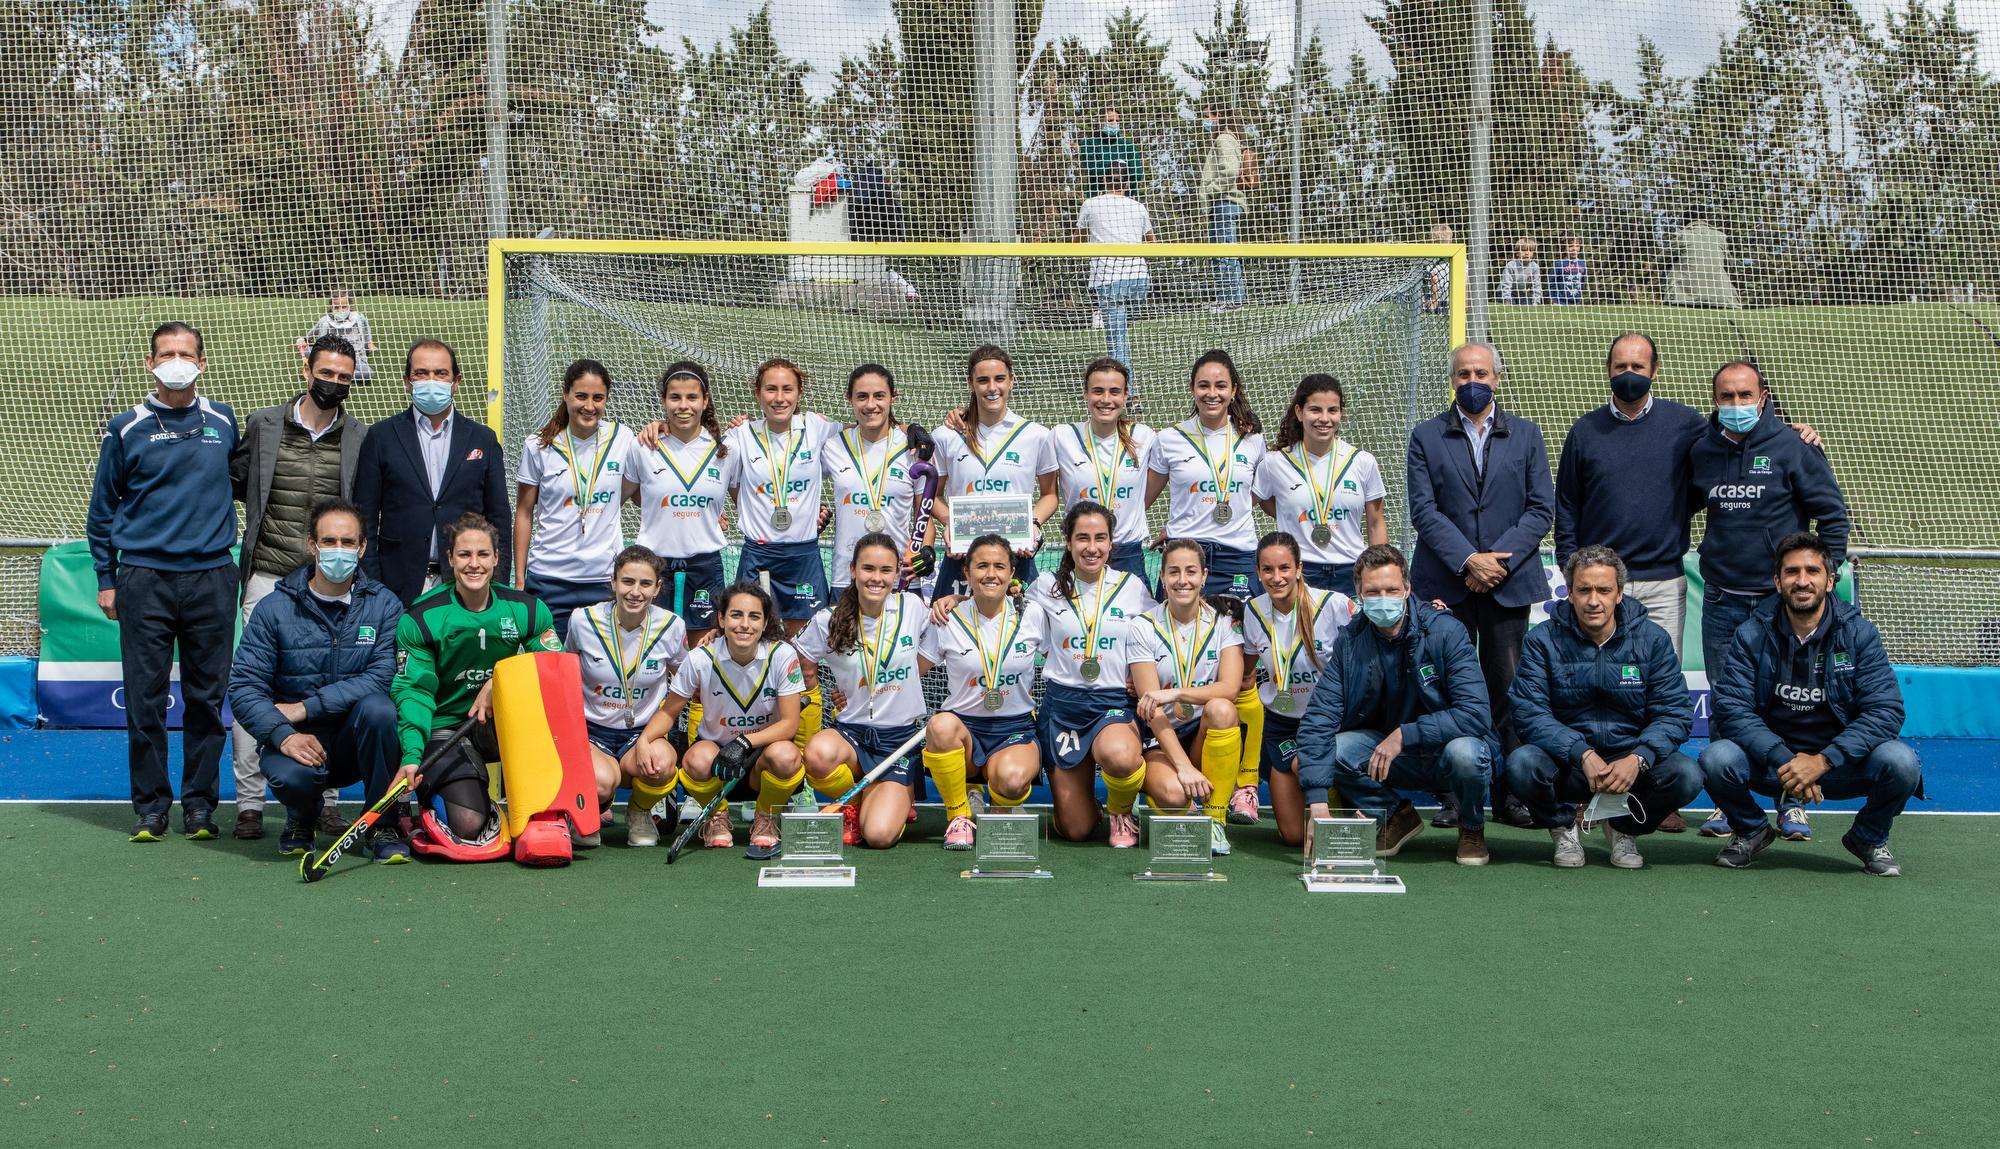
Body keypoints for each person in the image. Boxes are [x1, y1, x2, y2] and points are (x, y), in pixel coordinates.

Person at [89, 321, 240, 843]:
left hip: (213, 577)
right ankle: (151, 807)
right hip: (144, 579)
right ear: (150, 363)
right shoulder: (125, 427)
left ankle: (200, 806)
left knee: (206, 698)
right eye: (166, 353)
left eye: (186, 353)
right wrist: (107, 577)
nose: (176, 360)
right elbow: (103, 509)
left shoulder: (224, 419)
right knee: (145, 699)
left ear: (202, 362)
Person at [1688, 359, 1848, 840]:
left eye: (1744, 396)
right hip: (1720, 601)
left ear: (1763, 397)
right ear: (1714, 401)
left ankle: (1791, 800)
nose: (1735, 405)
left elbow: (1832, 517)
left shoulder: (1794, 447)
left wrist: (1827, 572)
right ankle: (1727, 802)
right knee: (1728, 702)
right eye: (1725, 397)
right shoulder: (1701, 451)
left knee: (1783, 704)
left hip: (1776, 604)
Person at [1702, 533, 1918, 876]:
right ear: (1777, 581)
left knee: (1902, 762)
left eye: (1812, 571)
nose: (1802, 581)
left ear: (1830, 581)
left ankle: (1868, 837)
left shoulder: (1859, 634)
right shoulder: (1751, 633)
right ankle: (1751, 830)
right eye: (1791, 572)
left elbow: (1885, 711)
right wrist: (1787, 761)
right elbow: (1731, 708)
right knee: (1716, 758)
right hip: (1773, 765)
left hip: (1838, 767)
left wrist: (1823, 761)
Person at [227, 333, 369, 840]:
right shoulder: (263, 424)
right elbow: (237, 482)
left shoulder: (359, 436)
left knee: (322, 687)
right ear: (307, 370)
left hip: (328, 582)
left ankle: (323, 797)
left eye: (343, 377)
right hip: (268, 575)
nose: (333, 383)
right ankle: (248, 802)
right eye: (325, 373)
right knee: (256, 691)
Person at [1406, 341, 1553, 828]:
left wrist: (1497, 563)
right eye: (1464, 373)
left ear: (1498, 378)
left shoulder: (1528, 435)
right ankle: (1451, 792)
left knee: (1507, 689)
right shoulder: (1425, 436)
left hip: (1508, 584)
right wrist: (1469, 559)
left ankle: (1511, 792)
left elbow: (1540, 510)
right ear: (1452, 380)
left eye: (1482, 373)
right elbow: (1424, 511)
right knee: (1442, 689)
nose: (1474, 381)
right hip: (1445, 582)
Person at [1294, 544, 1497, 866]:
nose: (1383, 598)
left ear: (1407, 589)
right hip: (1386, 755)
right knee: (1335, 749)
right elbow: (1319, 717)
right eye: (1372, 592)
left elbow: (1475, 714)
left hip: (1445, 749)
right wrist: (1317, 802)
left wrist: (1405, 734)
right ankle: (1395, 814)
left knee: (1467, 754)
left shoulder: (1446, 631)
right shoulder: (1350, 640)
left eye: (1392, 589)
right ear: (1358, 593)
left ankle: (1471, 826)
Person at [226, 499, 406, 860]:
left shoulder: (385, 605)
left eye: (347, 542)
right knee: (292, 776)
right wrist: (283, 735)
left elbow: (384, 676)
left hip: (355, 741)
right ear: (312, 545)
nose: (338, 551)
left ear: (362, 548)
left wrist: (305, 708)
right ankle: (301, 819)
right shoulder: (274, 608)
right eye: (329, 541)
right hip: (296, 741)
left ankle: (382, 822)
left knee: (381, 710)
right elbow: (243, 687)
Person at [1504, 545, 1700, 868]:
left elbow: (1675, 712)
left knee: (1687, 773)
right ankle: (1564, 826)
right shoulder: (1542, 640)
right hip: (1570, 764)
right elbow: (1528, 713)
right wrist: (1581, 753)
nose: (1593, 600)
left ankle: (1622, 828)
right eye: (1584, 590)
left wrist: (1639, 758)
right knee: (1521, 764)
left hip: (1629, 765)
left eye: (1603, 590)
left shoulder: (1652, 640)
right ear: (1569, 593)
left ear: (1619, 594)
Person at [389, 513, 564, 859]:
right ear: (450, 559)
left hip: (498, 725)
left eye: (483, 554)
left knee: (543, 722)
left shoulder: (527, 610)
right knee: (469, 824)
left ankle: (549, 813)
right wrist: (411, 755)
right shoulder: (421, 618)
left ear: (497, 558)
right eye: (465, 555)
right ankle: (434, 804)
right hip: (445, 728)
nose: (474, 564)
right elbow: (415, 692)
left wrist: (499, 681)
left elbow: (553, 671)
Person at [1146, 349, 1268, 825]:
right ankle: (1172, 764)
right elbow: (1144, 498)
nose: (1212, 393)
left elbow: (1270, 498)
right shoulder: (1168, 439)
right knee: (1177, 663)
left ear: (1233, 390)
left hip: (1238, 558)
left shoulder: (1253, 443)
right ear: (1192, 390)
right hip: (1185, 557)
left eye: (1221, 385)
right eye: (1203, 385)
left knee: (1241, 678)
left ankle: (1245, 785)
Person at [1554, 333, 1707, 660]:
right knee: (1600, 679)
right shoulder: (1585, 431)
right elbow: (1567, 507)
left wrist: (1794, 433)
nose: (1629, 374)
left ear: (1655, 371)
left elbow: (1732, 450)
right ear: (1608, 370)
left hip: (1663, 585)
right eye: (1621, 366)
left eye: (1638, 366)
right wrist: (1572, 571)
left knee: (1661, 683)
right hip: (1600, 585)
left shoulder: (1686, 425)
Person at [630, 582, 807, 860]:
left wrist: (744, 741)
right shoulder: (700, 658)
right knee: (695, 759)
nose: (744, 624)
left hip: (762, 758)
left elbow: (788, 725)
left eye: (754, 616)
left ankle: (766, 816)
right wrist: (645, 739)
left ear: (764, 623)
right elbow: (668, 712)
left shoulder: (781, 655)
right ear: (722, 619)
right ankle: (716, 816)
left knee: (786, 755)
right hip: (717, 760)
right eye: (736, 615)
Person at [1022, 502, 1157, 846]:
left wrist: (1143, 678)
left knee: (1121, 757)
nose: (1092, 547)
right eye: (1082, 538)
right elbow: (1005, 619)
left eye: (1100, 538)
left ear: (1112, 543)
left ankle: (1121, 810)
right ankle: (1090, 807)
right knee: (1075, 830)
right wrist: (951, 601)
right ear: (1067, 541)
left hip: (1112, 702)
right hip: (1063, 704)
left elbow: (1161, 636)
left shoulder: (1132, 587)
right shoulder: (1045, 586)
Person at [797, 534, 933, 848]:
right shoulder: (827, 621)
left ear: (898, 573)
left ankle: (890, 799)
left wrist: (950, 600)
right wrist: (829, 689)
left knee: (878, 836)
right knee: (817, 755)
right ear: (853, 570)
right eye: (868, 568)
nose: (876, 578)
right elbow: (800, 663)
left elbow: (937, 645)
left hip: (899, 741)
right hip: (852, 736)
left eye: (885, 570)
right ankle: (856, 802)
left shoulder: (912, 608)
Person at [354, 338, 512, 605]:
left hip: (467, 585)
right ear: (407, 381)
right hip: (398, 587)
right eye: (421, 373)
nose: (431, 380)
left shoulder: (482, 439)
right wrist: (373, 587)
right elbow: (364, 519)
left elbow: (499, 517)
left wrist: (496, 586)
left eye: (440, 374)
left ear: (456, 381)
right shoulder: (381, 436)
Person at [919, 534, 1050, 849]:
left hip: (1015, 727)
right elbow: (913, 672)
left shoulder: (1032, 614)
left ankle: (1000, 805)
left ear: (1011, 573)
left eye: (999, 566)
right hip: (963, 727)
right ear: (966, 573)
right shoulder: (946, 618)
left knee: (1013, 780)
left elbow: (1065, 661)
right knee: (939, 724)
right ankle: (959, 816)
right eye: (981, 566)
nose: (991, 574)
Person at [1126, 539, 1245, 854]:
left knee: (1222, 709)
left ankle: (1215, 820)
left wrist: (1176, 692)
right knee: (1175, 795)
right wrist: (1184, 767)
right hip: (1161, 740)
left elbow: (1230, 687)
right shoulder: (1143, 626)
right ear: (1162, 576)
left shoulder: (1223, 620)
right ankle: (1164, 796)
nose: (1183, 580)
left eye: (1191, 571)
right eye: (1174, 572)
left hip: (1202, 733)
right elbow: (1152, 709)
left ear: (1204, 576)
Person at [565, 546, 687, 847]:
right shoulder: (583, 621)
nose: (635, 592)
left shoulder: (672, 626)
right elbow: (565, 674)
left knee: (661, 763)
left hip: (643, 733)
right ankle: (591, 806)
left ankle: (639, 812)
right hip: (593, 732)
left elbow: (685, 680)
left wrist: (654, 733)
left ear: (657, 588)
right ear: (613, 583)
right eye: (627, 582)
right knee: (601, 782)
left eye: (645, 584)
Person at [1237, 533, 1354, 844]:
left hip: (1331, 723)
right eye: (1268, 570)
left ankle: (1345, 803)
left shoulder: (1335, 605)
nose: (1277, 578)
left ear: (1299, 568)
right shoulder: (1253, 611)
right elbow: (1245, 674)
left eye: (1285, 568)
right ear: (1258, 572)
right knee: (1293, 837)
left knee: (1312, 761)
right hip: (1283, 725)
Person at [513, 358, 640, 641]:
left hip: (603, 580)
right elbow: (523, 513)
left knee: (600, 670)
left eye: (598, 398)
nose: (589, 406)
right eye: (581, 396)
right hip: (549, 579)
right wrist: (520, 580)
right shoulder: (539, 445)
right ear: (565, 393)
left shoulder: (623, 438)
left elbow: (645, 491)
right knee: (552, 672)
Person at [929, 345, 1058, 599]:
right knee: (952, 631)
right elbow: (932, 494)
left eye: (999, 379)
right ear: (970, 383)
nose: (992, 388)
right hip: (962, 557)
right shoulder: (945, 435)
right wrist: (948, 522)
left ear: (1012, 380)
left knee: (1020, 633)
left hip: (1015, 557)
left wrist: (1032, 524)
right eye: (983, 380)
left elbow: (1050, 495)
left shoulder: (1037, 435)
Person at [723, 357, 838, 635]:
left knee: (804, 650)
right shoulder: (741, 434)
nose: (779, 398)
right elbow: (710, 464)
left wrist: (910, 430)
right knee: (752, 643)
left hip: (803, 555)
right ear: (758, 393)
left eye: (787, 389)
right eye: (770, 389)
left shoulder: (817, 427)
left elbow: (869, 430)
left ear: (799, 394)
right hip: (758, 555)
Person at [1252, 374, 1388, 597]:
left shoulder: (1363, 462)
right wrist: (1292, 514)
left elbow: (1376, 523)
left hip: (1351, 571)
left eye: (1332, 410)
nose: (1324, 418)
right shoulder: (1274, 462)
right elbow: (1259, 502)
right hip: (1300, 571)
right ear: (1299, 412)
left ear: (1341, 414)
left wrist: (1378, 571)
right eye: (1315, 410)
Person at [632, 361, 732, 647]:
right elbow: (626, 493)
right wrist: (658, 506)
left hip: (705, 564)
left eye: (691, 397)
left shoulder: (725, 449)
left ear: (705, 401)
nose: (683, 405)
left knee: (703, 652)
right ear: (664, 400)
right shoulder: (643, 446)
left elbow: (745, 494)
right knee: (653, 651)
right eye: (675, 397)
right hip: (654, 563)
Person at [1042, 357, 1155, 585]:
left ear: (1125, 395)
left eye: (1114, 392)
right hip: (1082, 552)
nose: (1106, 400)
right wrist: (968, 417)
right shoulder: (1061, 436)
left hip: (1128, 554)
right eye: (1097, 391)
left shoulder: (1145, 437)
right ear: (1085, 394)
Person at [824, 365, 931, 597]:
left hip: (900, 576)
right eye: (862, 396)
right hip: (847, 576)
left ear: (893, 396)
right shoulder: (832, 445)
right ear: (849, 399)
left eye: (879, 396)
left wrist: (927, 549)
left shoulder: (913, 448)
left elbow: (925, 513)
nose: (871, 405)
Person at [1074, 161, 1155, 370]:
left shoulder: (1090, 204)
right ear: (1127, 183)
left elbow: (1076, 241)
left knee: (1117, 339)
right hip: (1139, 279)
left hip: (1109, 280)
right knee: (1122, 329)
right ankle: (1102, 314)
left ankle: (1130, 394)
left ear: (1103, 181)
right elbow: (1152, 242)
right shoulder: (1138, 207)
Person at [1197, 106, 1247, 310]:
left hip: (1225, 202)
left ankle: (1233, 300)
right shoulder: (1226, 139)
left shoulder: (1224, 139)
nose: (1205, 121)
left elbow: (1231, 171)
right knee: (1220, 253)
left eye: (1208, 116)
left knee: (1225, 253)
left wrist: (1211, 189)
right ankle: (1226, 297)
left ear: (1219, 116)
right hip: (1222, 204)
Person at [297, 290, 376, 383]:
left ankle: (331, 375)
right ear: (331, 307)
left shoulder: (358, 318)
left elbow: (366, 329)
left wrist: (370, 343)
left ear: (350, 306)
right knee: (309, 352)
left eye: (344, 307)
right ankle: (336, 374)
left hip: (355, 358)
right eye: (337, 307)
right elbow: (309, 336)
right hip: (333, 358)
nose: (340, 310)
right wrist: (302, 341)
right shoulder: (325, 321)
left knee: (367, 374)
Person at [1077, 106, 1145, 197]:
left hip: (1126, 199)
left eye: (1117, 121)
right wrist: (1121, 168)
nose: (1114, 123)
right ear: (1101, 122)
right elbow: (1093, 169)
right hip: (1098, 197)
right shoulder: (1089, 143)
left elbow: (1136, 173)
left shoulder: (1128, 146)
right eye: (1110, 120)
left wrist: (1108, 169)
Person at [1498, 237, 1542, 305]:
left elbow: (1537, 286)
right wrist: (1507, 300)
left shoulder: (1535, 267)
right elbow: (1506, 283)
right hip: (1505, 292)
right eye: (1524, 250)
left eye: (1530, 251)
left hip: (1521, 293)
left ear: (1533, 253)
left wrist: (1536, 302)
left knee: (1527, 304)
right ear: (1517, 253)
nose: (1527, 253)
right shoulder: (1511, 265)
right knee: (1511, 304)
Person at [1423, 220, 1454, 315]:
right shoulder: (1460, 259)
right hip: (1455, 296)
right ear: (1450, 240)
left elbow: (1434, 279)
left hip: (1441, 299)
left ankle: (1433, 305)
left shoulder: (1432, 261)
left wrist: (1434, 300)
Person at [1548, 236, 1586, 305]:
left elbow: (1583, 281)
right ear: (1565, 248)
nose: (1574, 249)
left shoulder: (1582, 263)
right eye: (1571, 246)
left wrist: (1580, 295)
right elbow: (1551, 281)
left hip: (1576, 301)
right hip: (1561, 301)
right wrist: (1553, 299)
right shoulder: (1559, 263)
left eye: (1577, 246)